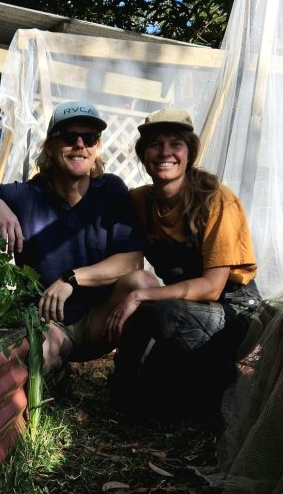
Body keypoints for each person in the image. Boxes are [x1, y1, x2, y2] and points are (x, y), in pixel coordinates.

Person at [0, 101, 146, 369]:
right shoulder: (25, 196)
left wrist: (72, 278)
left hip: (99, 321)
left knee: (144, 283)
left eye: (89, 138)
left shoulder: (111, 190)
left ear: (97, 147)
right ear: (51, 145)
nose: (80, 144)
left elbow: (132, 262)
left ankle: (131, 382)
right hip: (50, 324)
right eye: (69, 137)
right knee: (40, 355)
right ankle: (50, 375)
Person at [105, 107, 260, 418]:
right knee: (142, 401)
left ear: (189, 152)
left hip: (235, 310)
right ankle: (127, 391)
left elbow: (212, 287)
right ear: (143, 154)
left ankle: (218, 381)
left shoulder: (217, 201)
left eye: (175, 143)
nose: (165, 153)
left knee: (161, 312)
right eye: (155, 144)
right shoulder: (139, 201)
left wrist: (139, 294)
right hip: (184, 310)